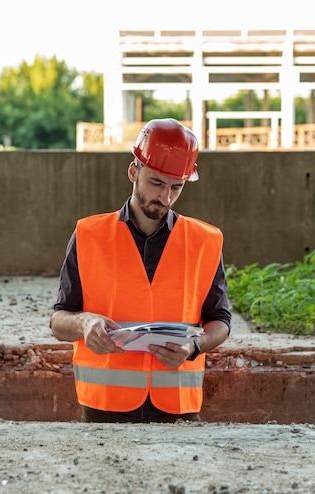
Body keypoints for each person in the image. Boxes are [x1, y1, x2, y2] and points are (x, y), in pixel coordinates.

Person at [50, 118, 231, 423]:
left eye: (177, 187)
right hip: (104, 409)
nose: (165, 197)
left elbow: (221, 321)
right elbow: (58, 321)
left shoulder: (205, 241)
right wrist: (84, 323)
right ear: (134, 171)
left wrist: (195, 345)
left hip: (179, 410)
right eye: (156, 183)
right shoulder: (89, 234)